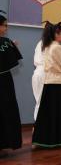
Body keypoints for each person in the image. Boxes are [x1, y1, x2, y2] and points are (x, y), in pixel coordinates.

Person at [32, 18, 61, 148]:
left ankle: (49, 138)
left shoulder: (49, 45)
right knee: (56, 112)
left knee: (50, 112)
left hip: (51, 82)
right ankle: (54, 138)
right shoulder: (56, 47)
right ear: (56, 34)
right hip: (57, 83)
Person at [0, 10, 22, 153]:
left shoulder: (6, 42)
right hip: (4, 82)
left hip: (4, 80)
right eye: (4, 25)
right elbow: (13, 60)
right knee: (5, 110)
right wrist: (11, 46)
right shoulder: (6, 42)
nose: (6, 28)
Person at [32, 39, 45, 121]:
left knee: (39, 101)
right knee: (42, 101)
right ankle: (40, 126)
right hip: (44, 73)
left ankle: (37, 125)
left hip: (37, 73)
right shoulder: (50, 44)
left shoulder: (39, 42)